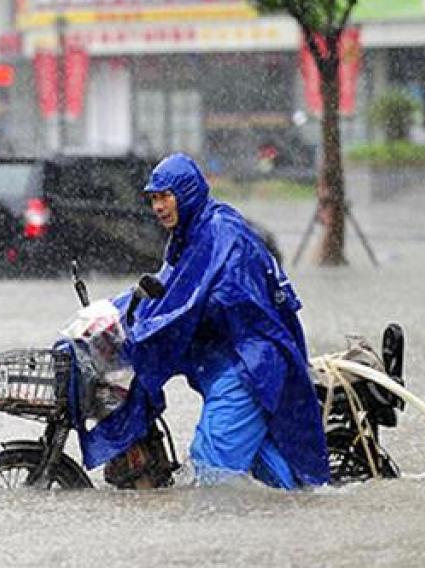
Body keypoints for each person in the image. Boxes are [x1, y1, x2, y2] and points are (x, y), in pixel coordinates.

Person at [79, 153, 330, 489]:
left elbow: (201, 303)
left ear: (186, 193)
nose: (158, 206)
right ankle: (301, 517)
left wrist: (151, 330)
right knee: (273, 475)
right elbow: (168, 288)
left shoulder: (223, 235)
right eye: (153, 198)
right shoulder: (188, 237)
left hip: (248, 365)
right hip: (223, 363)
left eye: (165, 196)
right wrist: (112, 311)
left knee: (211, 464)